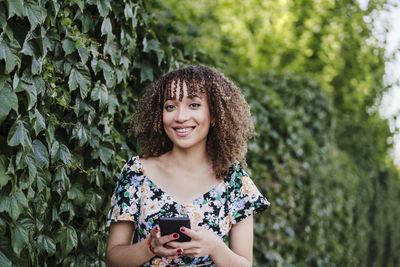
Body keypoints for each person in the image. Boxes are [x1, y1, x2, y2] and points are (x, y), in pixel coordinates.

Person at [106, 65, 270, 266]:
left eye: (194, 105)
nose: (180, 116)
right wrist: (149, 246)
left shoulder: (235, 181)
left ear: (215, 114)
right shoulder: (136, 173)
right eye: (170, 106)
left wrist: (215, 247)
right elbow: (113, 260)